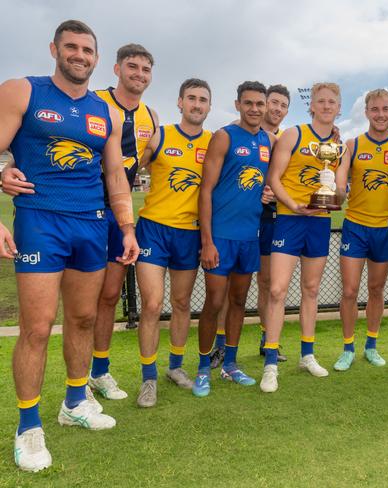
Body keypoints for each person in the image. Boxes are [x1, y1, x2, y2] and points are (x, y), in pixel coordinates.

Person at [0, 20, 138, 472]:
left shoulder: (106, 112)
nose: (80, 55)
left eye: (88, 50)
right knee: (37, 328)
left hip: (92, 224)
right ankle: (28, 426)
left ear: (97, 59)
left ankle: (76, 402)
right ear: (55, 49)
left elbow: (115, 175)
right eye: (72, 47)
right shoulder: (23, 90)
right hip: (41, 222)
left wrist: (128, 227)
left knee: (82, 317)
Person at [260, 82, 346, 393]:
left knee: (311, 289)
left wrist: (333, 188)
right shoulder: (294, 134)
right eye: (321, 101)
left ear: (338, 107)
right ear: (312, 106)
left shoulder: (341, 146)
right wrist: (293, 204)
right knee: (277, 290)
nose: (325, 106)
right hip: (289, 219)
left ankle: (307, 355)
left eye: (331, 102)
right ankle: (270, 362)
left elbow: (340, 194)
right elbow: (274, 177)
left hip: (319, 222)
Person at [193, 81, 274, 396]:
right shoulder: (224, 136)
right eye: (249, 103)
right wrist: (207, 241)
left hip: (248, 238)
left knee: (239, 302)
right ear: (238, 104)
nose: (255, 109)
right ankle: (202, 368)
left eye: (260, 104)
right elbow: (206, 190)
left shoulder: (268, 140)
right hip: (221, 238)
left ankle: (230, 364)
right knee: (214, 302)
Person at [134, 79, 212, 407]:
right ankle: (148, 378)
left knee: (182, 304)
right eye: (191, 98)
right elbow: (130, 165)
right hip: (153, 228)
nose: (196, 104)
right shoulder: (161, 134)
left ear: (209, 106)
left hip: (189, 233)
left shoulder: (214, 141)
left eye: (203, 100)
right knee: (152, 305)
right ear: (180, 102)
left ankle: (175, 368)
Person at [332, 88, 388, 371]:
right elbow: (339, 183)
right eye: (375, 109)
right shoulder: (352, 144)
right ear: (367, 112)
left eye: (385, 109)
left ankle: (371, 345)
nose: (380, 115)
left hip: (384, 229)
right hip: (355, 227)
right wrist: (333, 193)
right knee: (349, 290)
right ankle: (347, 348)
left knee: (376, 289)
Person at [89, 44, 158, 400]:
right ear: (116, 68)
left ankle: (99, 371)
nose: (139, 74)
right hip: (82, 211)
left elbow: (143, 164)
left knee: (110, 295)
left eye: (146, 69)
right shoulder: (95, 100)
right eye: (132, 67)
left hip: (119, 217)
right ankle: (77, 380)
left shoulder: (151, 117)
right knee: (83, 301)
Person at [209, 84, 290, 368]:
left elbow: (280, 174)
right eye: (274, 103)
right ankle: (218, 345)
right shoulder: (231, 132)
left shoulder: (276, 140)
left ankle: (267, 340)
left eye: (282, 105)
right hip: (230, 223)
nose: (276, 109)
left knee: (264, 283)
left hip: (265, 221)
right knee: (227, 288)